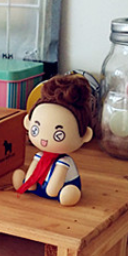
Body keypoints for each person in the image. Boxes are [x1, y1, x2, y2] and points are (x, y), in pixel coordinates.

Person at [13, 75, 94, 206]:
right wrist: (29, 183)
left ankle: (71, 194)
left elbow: (53, 190)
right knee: (26, 179)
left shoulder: (64, 161)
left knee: (63, 192)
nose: (44, 140)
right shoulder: (40, 155)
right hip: (41, 187)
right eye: (36, 129)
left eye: (58, 135)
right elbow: (33, 171)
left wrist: (50, 190)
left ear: (85, 135)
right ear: (28, 122)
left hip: (59, 189)